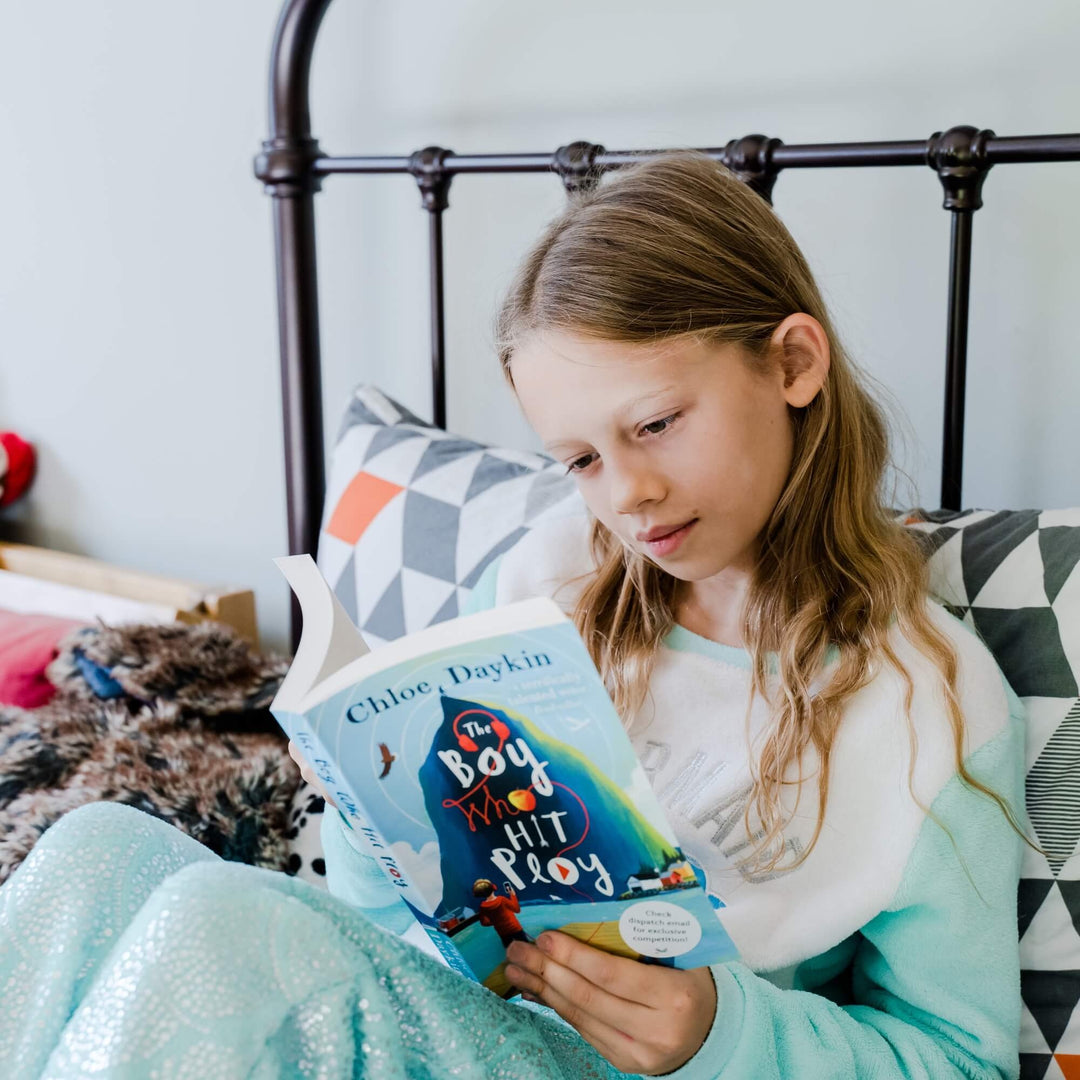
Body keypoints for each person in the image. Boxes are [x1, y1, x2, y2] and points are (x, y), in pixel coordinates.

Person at [0, 150, 1029, 1080]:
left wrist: (721, 1033)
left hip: (644, 1071)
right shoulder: (551, 575)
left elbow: (958, 1059)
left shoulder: (930, 707)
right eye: (581, 459)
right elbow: (388, 921)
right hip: (459, 1021)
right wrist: (371, 812)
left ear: (794, 364)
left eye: (658, 425)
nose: (624, 495)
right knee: (98, 848)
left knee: (219, 923)